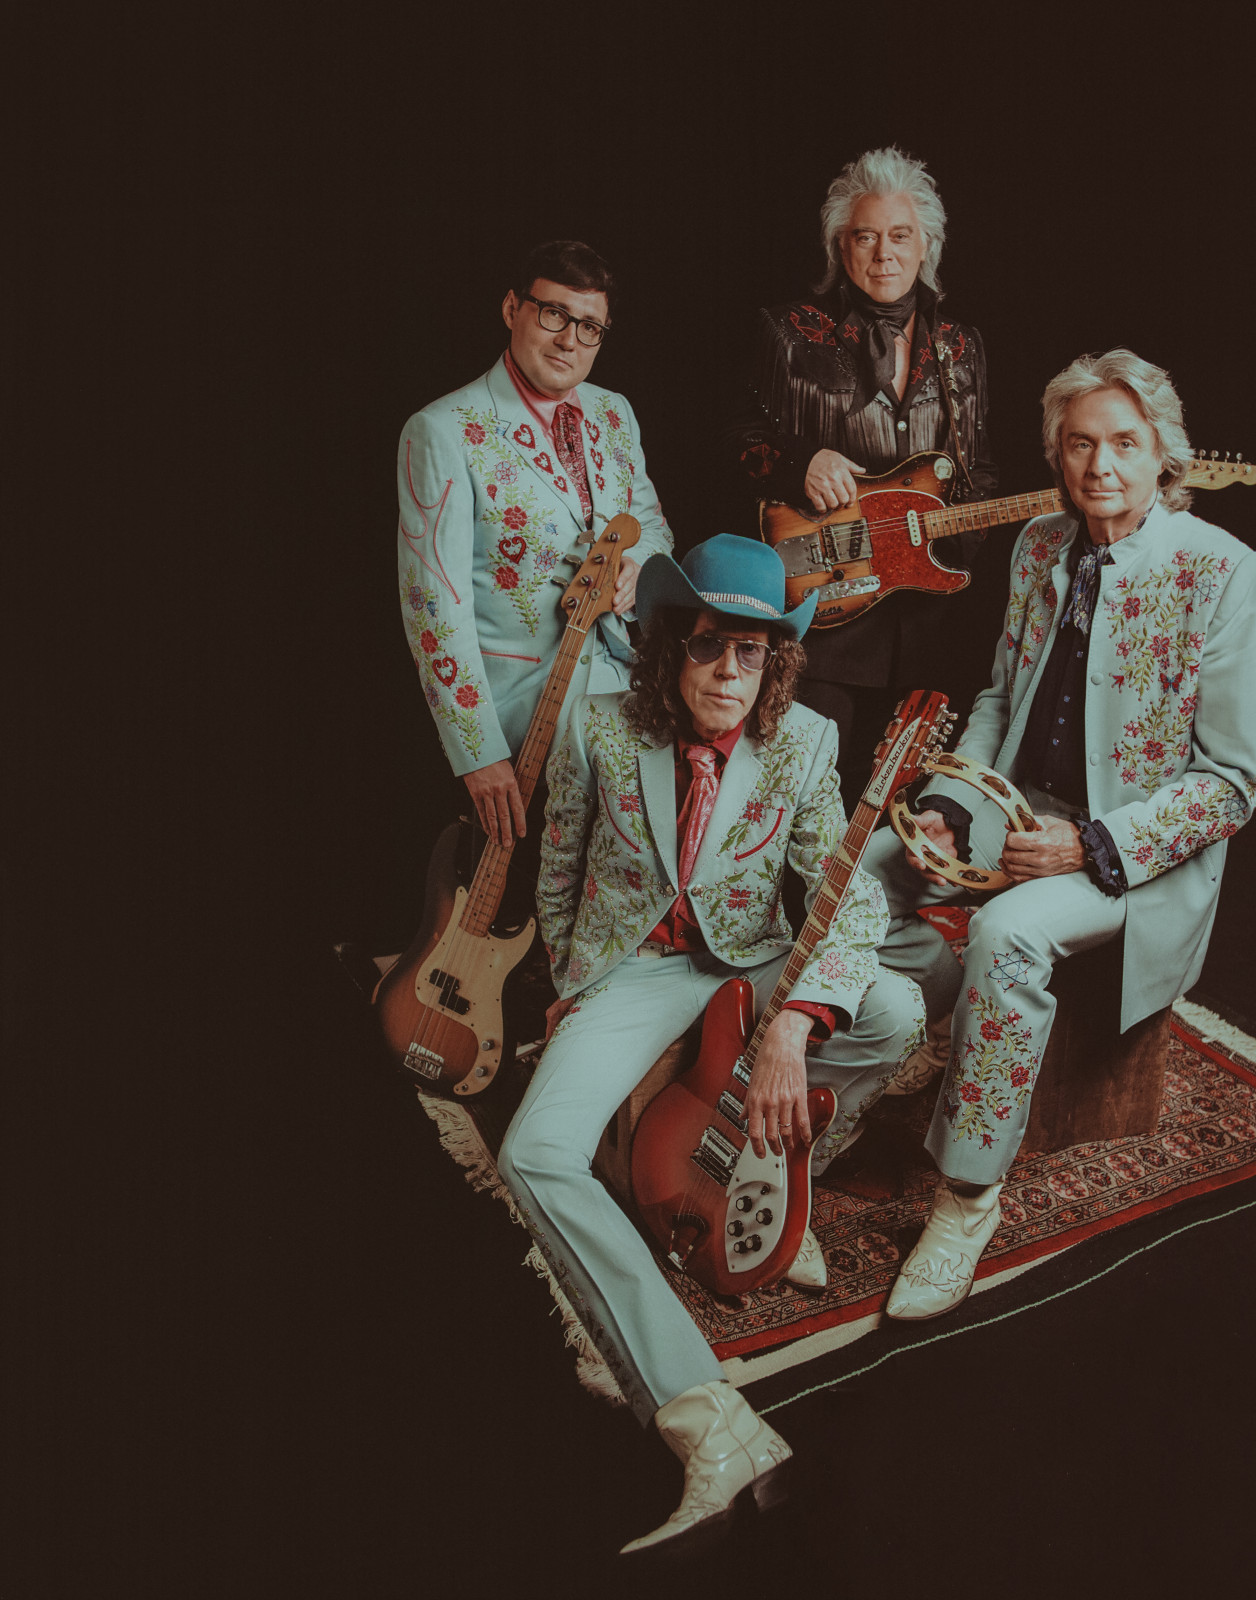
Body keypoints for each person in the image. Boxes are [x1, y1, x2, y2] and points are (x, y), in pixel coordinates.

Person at [497, 534, 924, 1553]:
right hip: (635, 969)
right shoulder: (599, 731)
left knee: (896, 1012)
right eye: (706, 649)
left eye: (751, 653)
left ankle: (786, 1165)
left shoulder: (806, 741)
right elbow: (557, 873)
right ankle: (709, 1421)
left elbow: (848, 894)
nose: (728, 674)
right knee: (531, 1153)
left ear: (776, 660)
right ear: (665, 650)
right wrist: (569, 989)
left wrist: (792, 1023)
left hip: (750, 960)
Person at [859, 349, 1256, 1319]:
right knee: (866, 878)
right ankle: (938, 1034)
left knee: (1009, 934)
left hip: (1134, 852)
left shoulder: (1223, 571)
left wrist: (1089, 846)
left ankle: (966, 1197)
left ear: (1162, 452)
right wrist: (951, 802)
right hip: (1021, 805)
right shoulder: (1041, 542)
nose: (1100, 465)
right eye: (1080, 442)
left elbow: (1233, 779)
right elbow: (1003, 695)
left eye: (1124, 443)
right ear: (1057, 451)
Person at [725, 145, 999, 804]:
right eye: (865, 236)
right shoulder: (789, 333)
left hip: (929, 623)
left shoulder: (962, 349)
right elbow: (735, 443)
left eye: (900, 235)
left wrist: (952, 535)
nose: (884, 253)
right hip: (825, 611)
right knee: (801, 801)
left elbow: (979, 467)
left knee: (898, 811)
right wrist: (800, 465)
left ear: (926, 245)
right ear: (838, 247)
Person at [397, 239, 673, 851]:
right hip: (522, 711)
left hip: (629, 685)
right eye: (553, 314)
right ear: (511, 309)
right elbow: (433, 610)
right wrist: (478, 752)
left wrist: (637, 560)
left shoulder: (614, 413)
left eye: (590, 327)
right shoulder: (443, 430)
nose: (569, 340)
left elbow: (653, 525)